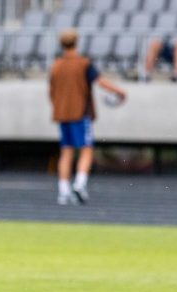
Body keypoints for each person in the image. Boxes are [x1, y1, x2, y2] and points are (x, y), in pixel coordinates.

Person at [49, 29, 126, 206]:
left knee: (66, 151)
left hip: (62, 113)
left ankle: (63, 191)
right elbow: (100, 81)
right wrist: (119, 92)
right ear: (76, 42)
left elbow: (51, 91)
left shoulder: (56, 65)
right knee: (86, 149)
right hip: (80, 113)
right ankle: (80, 184)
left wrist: (57, 107)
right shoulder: (83, 63)